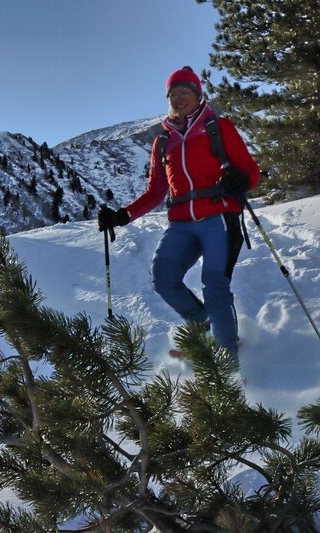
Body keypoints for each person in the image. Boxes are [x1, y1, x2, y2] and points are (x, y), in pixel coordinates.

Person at [98, 66, 259, 359]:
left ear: (198, 95)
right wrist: (121, 216)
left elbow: (250, 170)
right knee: (163, 278)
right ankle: (207, 327)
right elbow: (156, 193)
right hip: (182, 224)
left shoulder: (219, 127)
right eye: (173, 94)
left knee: (215, 287)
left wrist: (243, 180)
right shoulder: (163, 142)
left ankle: (228, 364)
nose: (178, 98)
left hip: (219, 218)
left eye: (185, 91)